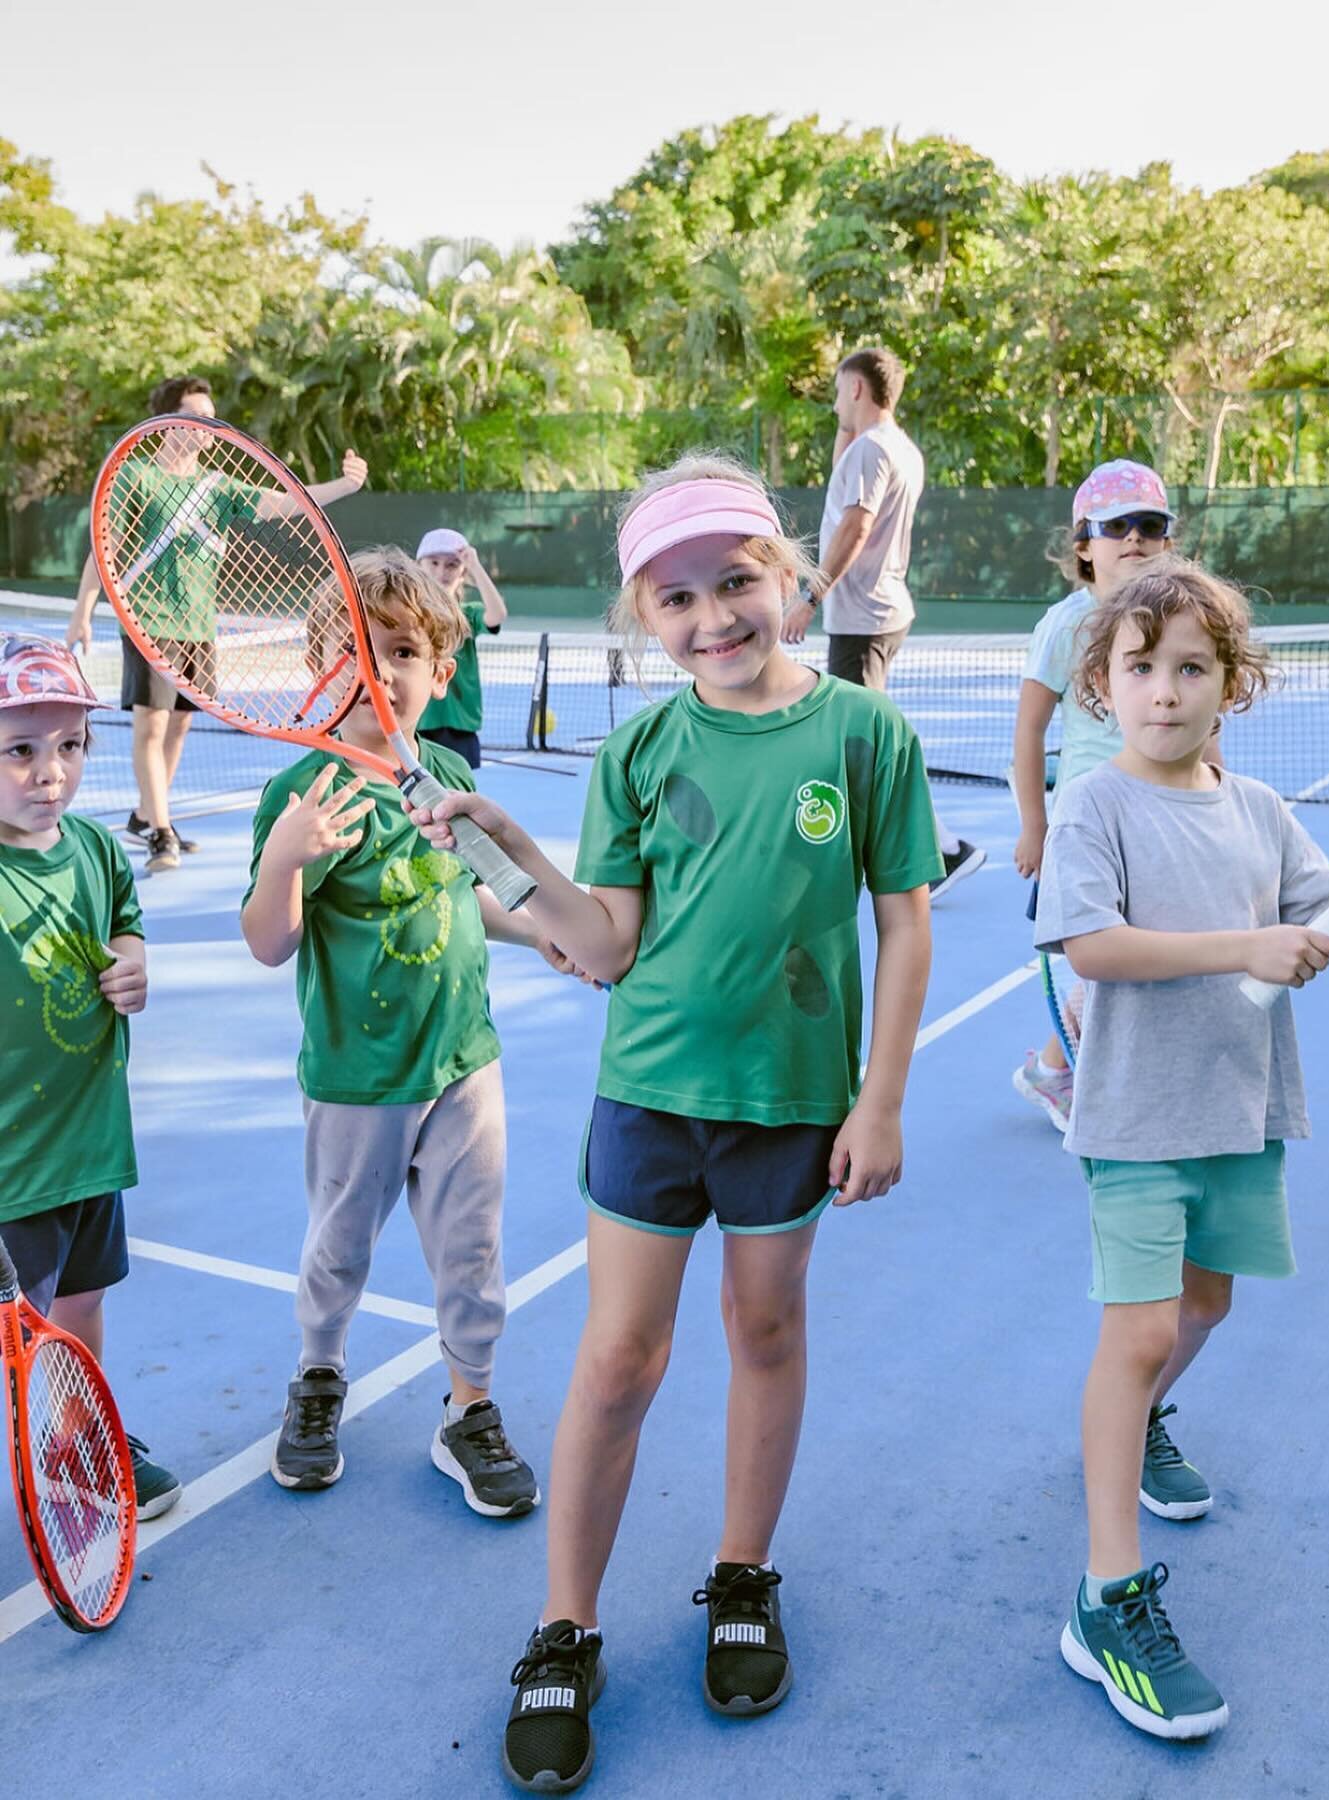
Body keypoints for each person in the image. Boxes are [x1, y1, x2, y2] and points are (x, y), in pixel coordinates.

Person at [407, 455, 941, 1794]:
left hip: (792, 1107)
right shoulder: (641, 750)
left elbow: (904, 917)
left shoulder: (864, 736)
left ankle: (742, 1573)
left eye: (738, 582)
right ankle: (564, 1625)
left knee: (765, 1331)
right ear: (643, 613)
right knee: (615, 1362)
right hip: (648, 1098)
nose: (715, 616)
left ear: (789, 577)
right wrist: (516, 854)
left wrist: (881, 1099)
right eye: (679, 595)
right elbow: (602, 945)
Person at [1034, 558, 1329, 1740]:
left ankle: (1129, 1422)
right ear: (1102, 684)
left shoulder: (1261, 813)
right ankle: (1106, 1599)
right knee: (1137, 1332)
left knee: (1204, 1311)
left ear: (1230, 686)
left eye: (1191, 667)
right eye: (1140, 668)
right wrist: (1243, 949)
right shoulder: (1096, 807)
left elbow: (1304, 929)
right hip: (1138, 1115)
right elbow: (1089, 945)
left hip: (1241, 1113)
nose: (1165, 691)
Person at [241, 548, 581, 1515]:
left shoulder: (445, 776)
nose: (375, 666)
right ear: (317, 663)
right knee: (339, 1248)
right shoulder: (300, 798)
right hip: (356, 1079)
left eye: (398, 649)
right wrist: (285, 862)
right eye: (348, 645)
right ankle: (318, 1376)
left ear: (440, 674)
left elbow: (479, 890)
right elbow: (270, 943)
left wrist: (544, 933)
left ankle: (467, 1406)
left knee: (472, 1252)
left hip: (464, 1064)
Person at [0, 633, 181, 1519]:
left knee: (80, 1307)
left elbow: (125, 916)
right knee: (17, 1337)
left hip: (91, 1144)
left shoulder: (99, 851)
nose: (51, 773)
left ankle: (79, 1437)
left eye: (70, 746)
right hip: (14, 1166)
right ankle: (48, 1439)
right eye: (22, 750)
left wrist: (134, 962)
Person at [68, 375, 368, 874]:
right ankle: (162, 832)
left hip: (198, 623)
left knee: (180, 725)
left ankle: (147, 814)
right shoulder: (135, 476)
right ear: (166, 422)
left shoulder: (217, 485)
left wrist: (346, 485)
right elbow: (105, 549)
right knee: (152, 724)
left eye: (212, 418)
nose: (208, 428)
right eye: (196, 417)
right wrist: (84, 612)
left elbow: (283, 503)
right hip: (148, 618)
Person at [1011, 460, 1185, 1129]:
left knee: (1149, 947)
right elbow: (1029, 730)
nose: (1134, 537)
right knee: (1108, 959)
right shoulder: (1068, 625)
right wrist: (1034, 825)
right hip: (1088, 822)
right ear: (1084, 544)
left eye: (1150, 524)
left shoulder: (1182, 618)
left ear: (1167, 540)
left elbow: (1204, 722)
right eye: (1116, 526)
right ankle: (1076, 1077)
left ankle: (1054, 1070)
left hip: (1162, 813)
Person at [781, 346, 985, 897]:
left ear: (856, 389)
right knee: (866, 736)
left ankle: (939, 853)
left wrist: (809, 595)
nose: (832, 408)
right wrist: (846, 436)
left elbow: (856, 526)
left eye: (837, 393)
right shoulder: (891, 448)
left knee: (863, 743)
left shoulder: (872, 451)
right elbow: (843, 487)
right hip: (875, 614)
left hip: (862, 618)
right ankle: (929, 849)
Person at [416, 527, 508, 768]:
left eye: (451, 565)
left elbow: (497, 615)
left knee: (457, 798)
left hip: (459, 725)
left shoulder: (469, 614)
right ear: (419, 566)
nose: (442, 571)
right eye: (434, 562)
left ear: (462, 572)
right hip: (417, 722)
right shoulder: (409, 613)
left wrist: (476, 567)